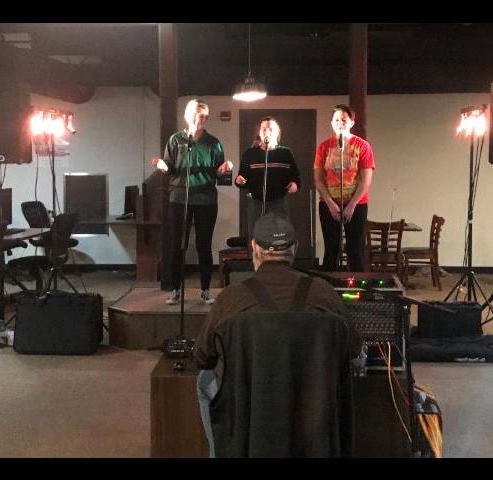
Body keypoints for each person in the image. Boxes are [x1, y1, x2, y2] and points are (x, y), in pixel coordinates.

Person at [193, 212, 361, 457]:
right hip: (313, 409)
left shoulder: (231, 297)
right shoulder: (323, 292)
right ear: (294, 248)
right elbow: (353, 349)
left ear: (254, 248)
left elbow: (202, 358)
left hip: (253, 410)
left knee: (203, 381)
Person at [154, 98, 233, 305]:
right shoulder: (176, 140)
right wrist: (163, 166)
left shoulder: (213, 142)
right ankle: (175, 289)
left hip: (206, 199)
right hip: (179, 198)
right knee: (176, 245)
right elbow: (170, 168)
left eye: (203, 116)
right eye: (195, 115)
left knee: (203, 245)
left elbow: (219, 174)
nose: (199, 119)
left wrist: (223, 170)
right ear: (187, 116)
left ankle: (206, 289)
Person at [314, 104, 375, 272]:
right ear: (331, 123)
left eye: (343, 120)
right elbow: (318, 180)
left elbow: (366, 180)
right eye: (336, 120)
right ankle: (329, 289)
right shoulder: (323, 147)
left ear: (351, 122)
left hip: (356, 204)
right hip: (329, 204)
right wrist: (330, 204)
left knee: (356, 250)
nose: (340, 123)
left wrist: (352, 205)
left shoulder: (362, 146)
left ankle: (357, 290)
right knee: (331, 248)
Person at [235, 116, 301, 241]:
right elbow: (242, 177)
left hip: (279, 202)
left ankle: (279, 260)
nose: (267, 132)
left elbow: (295, 177)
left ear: (277, 132)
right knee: (256, 238)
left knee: (279, 237)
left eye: (270, 129)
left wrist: (294, 184)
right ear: (259, 132)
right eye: (264, 129)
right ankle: (257, 260)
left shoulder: (285, 153)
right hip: (256, 202)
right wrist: (239, 181)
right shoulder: (250, 153)